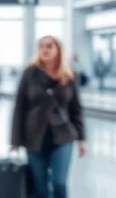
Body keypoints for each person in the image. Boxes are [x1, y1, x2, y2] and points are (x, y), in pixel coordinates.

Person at [11, 36, 87, 198]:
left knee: (59, 183)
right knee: (41, 188)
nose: (44, 49)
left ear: (58, 50)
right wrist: (15, 140)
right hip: (34, 138)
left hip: (63, 137)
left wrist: (81, 138)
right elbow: (19, 108)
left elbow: (76, 108)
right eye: (41, 46)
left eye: (49, 46)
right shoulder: (29, 74)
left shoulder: (69, 76)